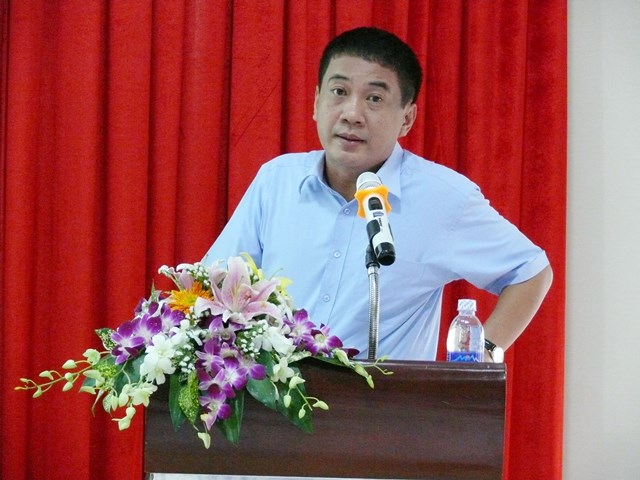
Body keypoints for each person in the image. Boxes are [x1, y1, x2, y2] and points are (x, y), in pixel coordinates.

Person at [202, 27, 553, 362]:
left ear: (407, 119)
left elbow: (530, 271)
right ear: (316, 102)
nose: (352, 114)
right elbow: (214, 284)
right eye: (339, 92)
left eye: (374, 99)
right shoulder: (277, 181)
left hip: (384, 403)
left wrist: (482, 356)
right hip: (276, 399)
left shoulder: (442, 198)